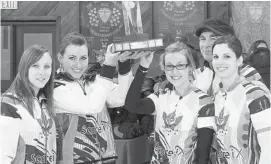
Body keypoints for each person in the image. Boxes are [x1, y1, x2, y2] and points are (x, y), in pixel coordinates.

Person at [124, 42, 215, 164]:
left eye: (180, 65)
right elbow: (132, 105)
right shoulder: (161, 96)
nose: (174, 71)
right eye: (169, 66)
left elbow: (203, 153)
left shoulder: (204, 102)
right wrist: (143, 67)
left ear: (190, 68)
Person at [53, 32, 133, 164]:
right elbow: (91, 106)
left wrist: (124, 63)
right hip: (74, 159)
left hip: (106, 157)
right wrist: (108, 66)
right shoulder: (55, 87)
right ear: (60, 58)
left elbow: (119, 98)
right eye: (72, 58)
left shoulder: (93, 81)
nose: (78, 64)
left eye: (83, 58)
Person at [211, 36, 270, 164]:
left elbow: (268, 148)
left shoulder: (254, 95)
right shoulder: (217, 96)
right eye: (216, 57)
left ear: (239, 60)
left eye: (227, 56)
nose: (219, 62)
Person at [0, 45, 56, 164]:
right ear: (25, 69)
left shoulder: (45, 102)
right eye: (35, 66)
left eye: (47, 66)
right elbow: (3, 157)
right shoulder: (9, 104)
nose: (42, 72)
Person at [193, 18, 268, 95]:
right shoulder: (198, 73)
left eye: (213, 38)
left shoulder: (246, 73)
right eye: (202, 39)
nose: (206, 45)